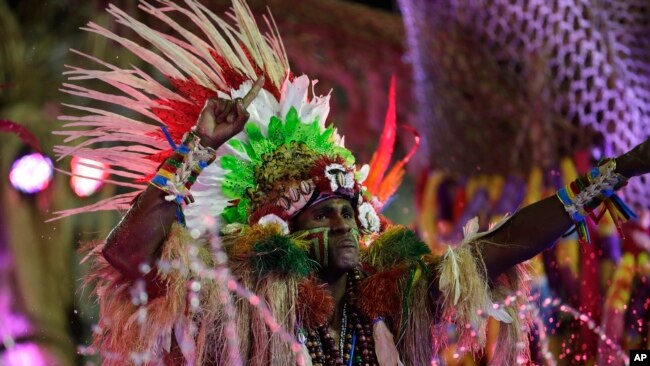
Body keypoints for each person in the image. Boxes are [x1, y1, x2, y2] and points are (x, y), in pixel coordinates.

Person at [60, 1, 650, 365]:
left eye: (347, 211)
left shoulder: (399, 301)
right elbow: (126, 254)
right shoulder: (238, 313)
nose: (343, 223)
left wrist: (616, 172)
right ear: (281, 233)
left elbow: (506, 244)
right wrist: (198, 150)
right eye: (322, 214)